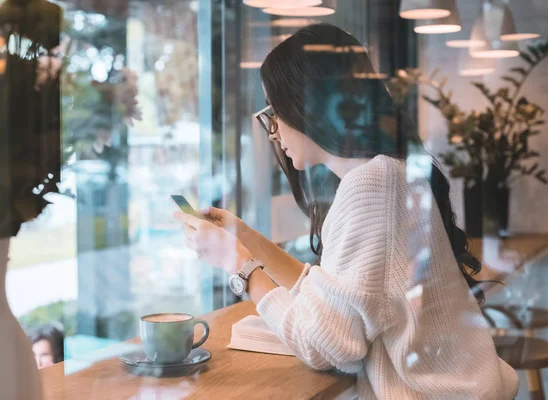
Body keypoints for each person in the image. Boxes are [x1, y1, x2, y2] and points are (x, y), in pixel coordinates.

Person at [174, 23, 518, 399]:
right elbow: (339, 300)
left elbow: (325, 344)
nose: (273, 131)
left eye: (273, 110)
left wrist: (239, 266)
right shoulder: (389, 172)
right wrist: (245, 239)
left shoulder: (372, 186)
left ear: (305, 104)